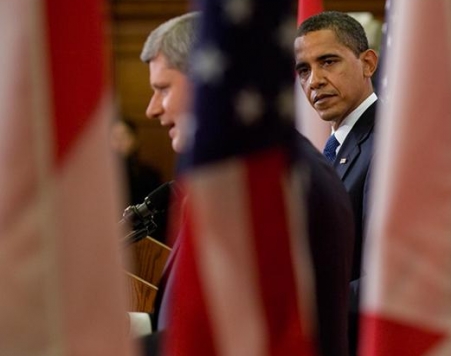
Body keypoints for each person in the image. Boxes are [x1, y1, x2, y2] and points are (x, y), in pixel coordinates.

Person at [139, 12, 355, 356]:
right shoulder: (237, 173)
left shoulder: (275, 181)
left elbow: (245, 336)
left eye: (163, 89)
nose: (152, 109)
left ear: (205, 78)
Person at [294, 11, 379, 355]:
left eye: (328, 61)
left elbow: (386, 279)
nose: (314, 81)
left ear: (368, 63)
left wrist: (298, 308)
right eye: (304, 70)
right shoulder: (333, 149)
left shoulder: (388, 143)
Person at [110, 118, 169, 243]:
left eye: (124, 136)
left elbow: (159, 219)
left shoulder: (149, 175)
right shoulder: (104, 178)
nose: (119, 142)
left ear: (135, 140)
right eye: (115, 137)